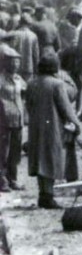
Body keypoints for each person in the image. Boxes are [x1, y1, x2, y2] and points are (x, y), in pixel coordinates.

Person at [25, 53, 81, 209]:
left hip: (36, 126)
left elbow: (28, 105)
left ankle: (43, 194)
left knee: (39, 158)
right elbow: (66, 108)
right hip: (52, 126)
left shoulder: (31, 83)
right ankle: (48, 197)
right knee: (50, 158)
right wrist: (76, 124)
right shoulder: (57, 84)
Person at [0, 44, 27, 191]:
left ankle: (13, 179)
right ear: (5, 62)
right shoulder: (1, 79)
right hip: (4, 120)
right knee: (3, 152)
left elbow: (25, 91)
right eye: (12, 61)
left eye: (17, 62)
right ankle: (2, 180)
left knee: (15, 152)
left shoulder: (18, 78)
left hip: (18, 119)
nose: (16, 65)